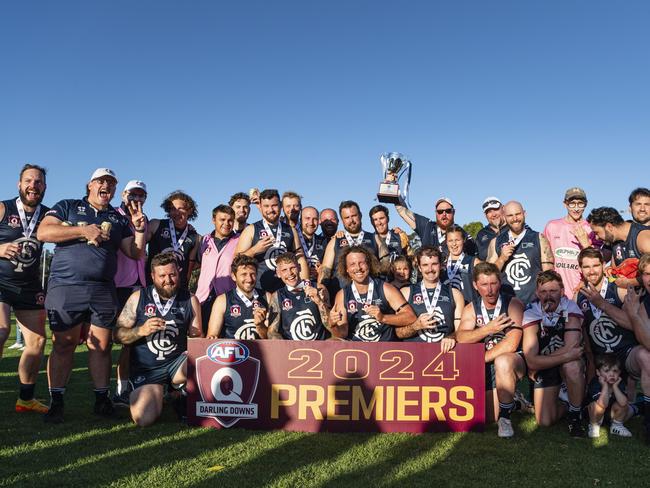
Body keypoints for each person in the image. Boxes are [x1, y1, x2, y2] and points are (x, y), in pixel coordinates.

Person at [38, 168, 146, 423]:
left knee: (102, 346)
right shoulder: (69, 206)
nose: (106, 186)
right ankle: (57, 401)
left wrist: (139, 230)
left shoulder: (118, 218)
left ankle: (101, 399)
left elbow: (134, 252)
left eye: (111, 183)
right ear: (90, 185)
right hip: (67, 285)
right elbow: (44, 232)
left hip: (102, 288)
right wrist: (82, 231)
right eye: (101, 181)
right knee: (64, 344)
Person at [114, 252, 202, 427]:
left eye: (172, 274)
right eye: (162, 276)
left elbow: (198, 338)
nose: (168, 280)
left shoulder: (190, 299)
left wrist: (195, 334)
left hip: (177, 363)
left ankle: (180, 392)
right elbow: (117, 335)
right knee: (143, 419)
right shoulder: (138, 297)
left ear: (179, 273)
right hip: (147, 369)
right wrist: (141, 330)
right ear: (152, 276)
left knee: (199, 362)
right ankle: (163, 392)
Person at [0, 164, 49, 413]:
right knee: (1, 331)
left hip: (29, 286)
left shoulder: (49, 215)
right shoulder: (2, 208)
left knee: (38, 341)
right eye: (28, 181)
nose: (33, 185)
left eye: (38, 182)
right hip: (0, 282)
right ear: (19, 185)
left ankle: (25, 399)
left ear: (44, 187)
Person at [456, 262, 525, 437]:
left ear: (500, 283)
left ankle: (505, 419)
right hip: (486, 364)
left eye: (493, 283)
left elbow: (512, 344)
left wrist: (481, 359)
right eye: (484, 285)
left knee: (503, 361)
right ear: (475, 285)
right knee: (486, 416)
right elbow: (462, 338)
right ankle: (515, 402)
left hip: (510, 360)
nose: (490, 290)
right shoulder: (472, 308)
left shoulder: (513, 304)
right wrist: (488, 329)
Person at [522, 270, 586, 437]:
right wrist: (538, 362)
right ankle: (567, 404)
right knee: (544, 421)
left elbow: (573, 348)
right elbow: (531, 360)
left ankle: (575, 416)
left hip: (561, 365)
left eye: (553, 291)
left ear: (562, 291)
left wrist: (538, 362)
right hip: (548, 367)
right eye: (543, 291)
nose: (548, 296)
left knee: (572, 366)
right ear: (537, 293)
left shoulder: (570, 307)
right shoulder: (531, 311)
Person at [112, 179, 149, 406]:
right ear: (124, 195)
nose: (136, 199)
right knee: (108, 340)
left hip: (139, 285)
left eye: (141, 196)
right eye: (132, 195)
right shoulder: (112, 215)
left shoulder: (144, 219)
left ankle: (124, 389)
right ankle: (108, 390)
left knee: (132, 341)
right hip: (116, 284)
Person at [329, 246, 415, 342]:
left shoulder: (386, 288)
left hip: (384, 350)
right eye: (352, 264)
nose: (358, 268)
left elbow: (410, 317)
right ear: (347, 269)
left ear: (369, 265)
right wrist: (333, 325)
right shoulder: (342, 295)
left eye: (361, 263)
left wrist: (383, 318)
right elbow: (342, 333)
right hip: (357, 350)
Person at [235, 189, 308, 293]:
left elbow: (300, 259)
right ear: (260, 206)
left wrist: (304, 285)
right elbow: (236, 260)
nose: (270, 209)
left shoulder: (291, 230)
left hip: (287, 291)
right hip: (260, 290)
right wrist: (254, 250)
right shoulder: (251, 229)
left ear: (280, 205)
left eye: (274, 205)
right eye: (266, 206)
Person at [318, 200, 390, 299]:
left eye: (354, 216)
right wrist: (321, 291)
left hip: (372, 296)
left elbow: (386, 268)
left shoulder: (375, 238)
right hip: (342, 297)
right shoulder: (335, 241)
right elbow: (325, 270)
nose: (351, 220)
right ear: (342, 220)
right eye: (347, 217)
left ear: (360, 215)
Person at [487, 201, 554, 306]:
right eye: (510, 215)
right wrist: (502, 258)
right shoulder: (496, 242)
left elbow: (549, 275)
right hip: (506, 305)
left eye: (518, 214)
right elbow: (488, 275)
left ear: (524, 214)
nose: (515, 219)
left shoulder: (539, 238)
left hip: (534, 304)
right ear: (504, 217)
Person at [396, 246, 464, 348]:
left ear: (441, 265)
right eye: (425, 265)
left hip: (443, 355)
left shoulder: (455, 294)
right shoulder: (405, 292)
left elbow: (461, 331)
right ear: (419, 267)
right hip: (413, 356)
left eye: (434, 264)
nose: (430, 269)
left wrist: (452, 337)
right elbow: (398, 333)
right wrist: (416, 326)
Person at [543, 187, 600, 298]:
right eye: (572, 204)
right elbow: (544, 258)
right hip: (556, 293)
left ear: (586, 204)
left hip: (583, 291)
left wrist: (585, 244)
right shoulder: (552, 226)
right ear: (565, 204)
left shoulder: (592, 228)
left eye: (580, 204)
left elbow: (599, 261)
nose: (576, 208)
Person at [267, 253, 338, 340]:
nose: (290, 273)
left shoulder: (319, 288)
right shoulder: (277, 296)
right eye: (284, 270)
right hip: (292, 350)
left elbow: (331, 327)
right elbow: (272, 331)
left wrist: (320, 302)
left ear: (299, 267)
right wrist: (282, 347)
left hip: (319, 348)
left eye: (293, 268)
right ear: (278, 273)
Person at [195, 205, 240, 334]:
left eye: (230, 220)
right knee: (201, 338)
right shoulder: (204, 240)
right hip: (204, 297)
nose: (226, 223)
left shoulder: (239, 240)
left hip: (227, 297)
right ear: (214, 220)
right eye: (222, 219)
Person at [146, 191, 200, 290]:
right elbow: (138, 247)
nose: (176, 212)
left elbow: (191, 267)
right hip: (153, 286)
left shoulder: (196, 237)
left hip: (178, 288)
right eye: (172, 209)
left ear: (190, 210)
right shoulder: (155, 224)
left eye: (180, 208)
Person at [622, 253, 650, 444]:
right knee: (647, 356)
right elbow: (646, 342)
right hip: (634, 356)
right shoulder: (641, 300)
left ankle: (638, 406)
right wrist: (634, 314)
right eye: (647, 274)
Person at [206, 254, 268, 340]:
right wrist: (212, 337)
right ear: (233, 276)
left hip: (261, 352)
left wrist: (260, 325)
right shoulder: (222, 300)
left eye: (252, 274)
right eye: (244, 274)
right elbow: (211, 336)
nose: (249, 279)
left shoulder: (267, 297)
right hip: (232, 352)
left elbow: (273, 341)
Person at [393, 196, 477, 259]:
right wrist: (392, 188)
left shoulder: (462, 234)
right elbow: (403, 211)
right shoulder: (427, 226)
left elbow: (474, 259)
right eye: (440, 212)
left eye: (448, 211)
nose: (444, 214)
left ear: (453, 212)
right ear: (436, 213)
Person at [587, 207, 650, 287]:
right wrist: (609, 273)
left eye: (597, 232)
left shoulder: (643, 238)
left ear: (609, 227)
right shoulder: (615, 242)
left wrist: (631, 282)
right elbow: (615, 271)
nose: (596, 237)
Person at [587, 354, 634, 438]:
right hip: (595, 415)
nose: (611, 374)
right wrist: (605, 386)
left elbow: (623, 403)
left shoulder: (619, 384)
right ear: (598, 372)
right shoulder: (595, 383)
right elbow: (602, 404)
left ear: (619, 373)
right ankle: (594, 427)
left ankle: (616, 426)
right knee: (595, 406)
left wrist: (615, 387)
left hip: (611, 414)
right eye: (607, 371)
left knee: (624, 406)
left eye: (615, 371)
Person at [443, 224, 480, 304]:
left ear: (464, 240)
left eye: (457, 240)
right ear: (446, 242)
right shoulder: (441, 265)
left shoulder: (474, 262)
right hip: (448, 312)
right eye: (450, 241)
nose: (454, 244)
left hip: (469, 311)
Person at [300, 206, 328, 281]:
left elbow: (328, 268)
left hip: (318, 287)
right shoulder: (294, 239)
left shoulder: (325, 241)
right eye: (307, 218)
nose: (311, 223)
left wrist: (322, 271)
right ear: (300, 220)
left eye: (315, 219)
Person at [476, 197, 505, 261]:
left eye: (496, 209)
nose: (493, 214)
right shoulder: (481, 234)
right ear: (485, 215)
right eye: (489, 212)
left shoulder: (513, 229)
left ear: (503, 208)